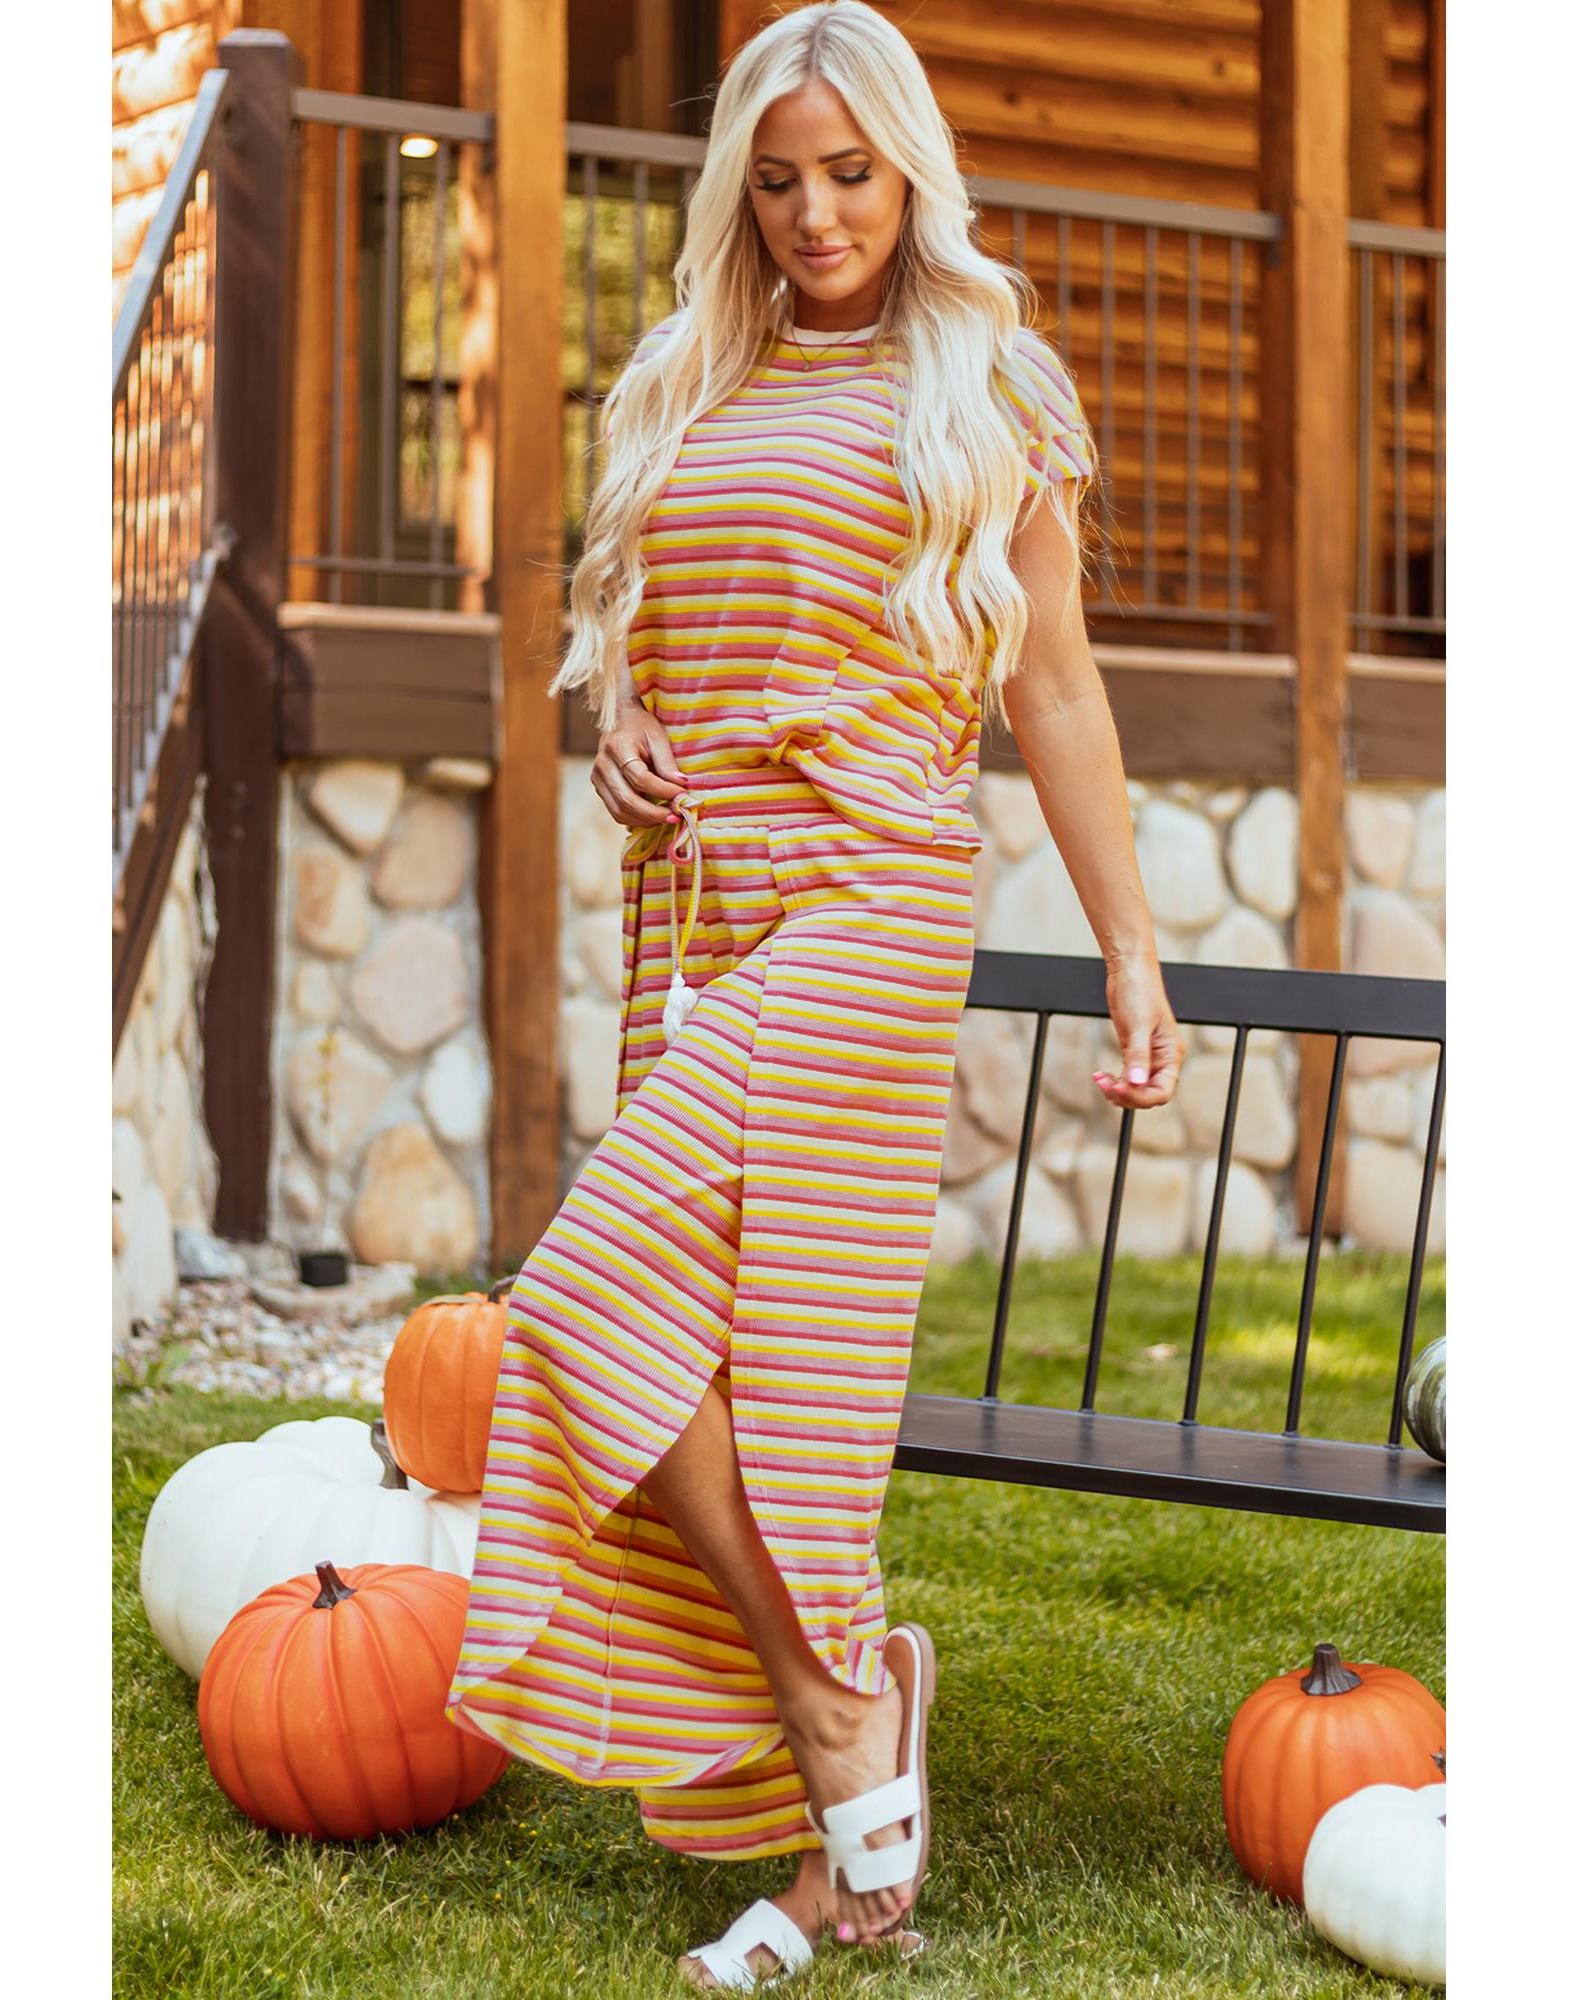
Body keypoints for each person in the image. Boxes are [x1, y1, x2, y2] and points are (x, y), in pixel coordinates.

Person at [445, 2, 1184, 1988]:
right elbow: (655, 623)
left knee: (582, 1299)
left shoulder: (983, 385)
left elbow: (1053, 691)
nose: (814, 214)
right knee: (714, 1356)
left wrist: (1128, 948)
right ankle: (837, 1777)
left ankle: (841, 1719)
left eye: (849, 174)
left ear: (909, 171)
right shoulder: (688, 373)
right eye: (776, 182)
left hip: (869, 899)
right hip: (698, 903)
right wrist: (617, 722)